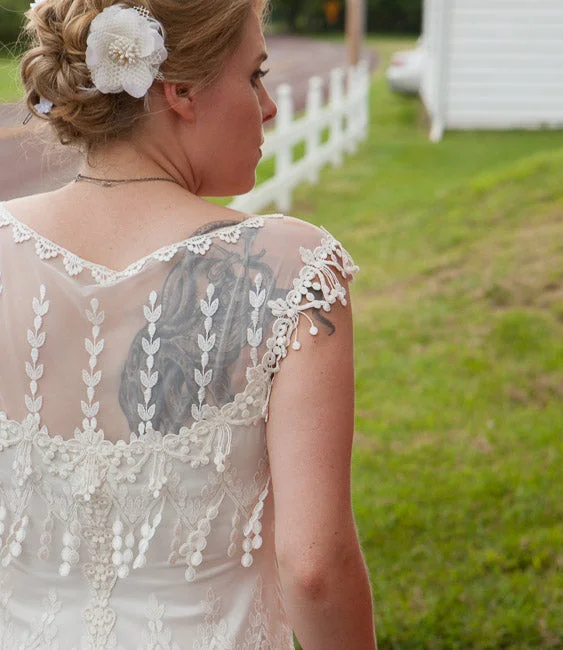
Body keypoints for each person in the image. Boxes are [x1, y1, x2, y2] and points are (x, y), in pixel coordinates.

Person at [0, 0, 377, 647]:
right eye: (254, 75)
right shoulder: (292, 270)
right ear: (178, 92)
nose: (270, 108)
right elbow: (314, 569)